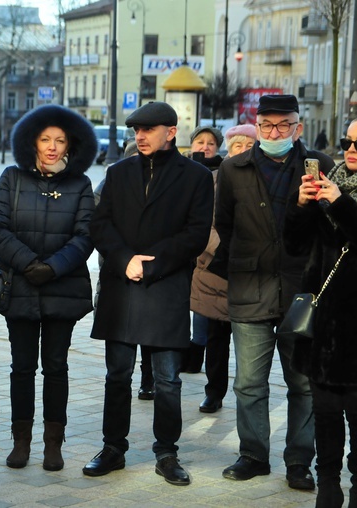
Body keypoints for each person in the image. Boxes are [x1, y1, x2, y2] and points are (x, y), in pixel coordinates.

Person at [82, 101, 213, 486]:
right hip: (121, 287)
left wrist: (152, 264)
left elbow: (195, 233)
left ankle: (167, 452)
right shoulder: (118, 172)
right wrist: (125, 259)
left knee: (168, 380)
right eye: (136, 130)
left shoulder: (196, 176)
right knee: (117, 375)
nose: (140, 136)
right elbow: (99, 223)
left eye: (149, 130)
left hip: (166, 286)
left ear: (171, 132)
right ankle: (113, 448)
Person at [212, 94, 333, 490]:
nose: (276, 132)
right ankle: (253, 455)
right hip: (250, 286)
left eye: (284, 125)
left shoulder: (319, 165)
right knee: (249, 382)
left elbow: (331, 228)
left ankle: (299, 461)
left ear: (298, 126)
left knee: (302, 382)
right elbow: (224, 226)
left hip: (303, 290)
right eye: (268, 125)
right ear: (257, 125)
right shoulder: (234, 168)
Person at [0, 104, 96, 472]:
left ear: (70, 145)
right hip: (20, 286)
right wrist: (30, 264)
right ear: (32, 142)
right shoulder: (12, 178)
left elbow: (85, 236)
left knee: (57, 366)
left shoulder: (80, 184)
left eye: (59, 140)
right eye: (45, 139)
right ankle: (21, 441)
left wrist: (53, 267)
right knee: (21, 367)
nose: (52, 146)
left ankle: (53, 442)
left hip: (62, 289)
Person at [284, 115, 357, 507]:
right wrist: (303, 205)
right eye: (346, 141)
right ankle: (328, 486)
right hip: (321, 323)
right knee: (324, 414)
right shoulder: (328, 186)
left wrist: (338, 203)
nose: (350, 150)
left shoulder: (351, 195)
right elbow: (292, 244)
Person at [191, 124, 257, 414]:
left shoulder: (264, 180)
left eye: (248, 146)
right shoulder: (215, 181)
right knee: (216, 338)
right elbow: (202, 222)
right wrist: (220, 250)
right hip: (217, 269)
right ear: (228, 151)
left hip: (253, 272)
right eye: (236, 146)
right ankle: (214, 392)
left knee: (250, 342)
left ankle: (250, 394)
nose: (242, 152)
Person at [94, 141, 155, 401]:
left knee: (151, 334)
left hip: (152, 271)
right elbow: (97, 219)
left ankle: (147, 376)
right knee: (119, 357)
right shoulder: (111, 180)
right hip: (116, 269)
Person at [182, 126, 224, 375]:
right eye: (200, 141)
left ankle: (196, 352)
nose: (205, 147)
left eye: (211, 143)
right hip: (181, 249)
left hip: (207, 252)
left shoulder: (224, 172)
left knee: (202, 306)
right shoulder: (181, 169)